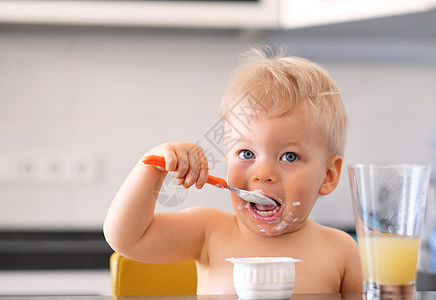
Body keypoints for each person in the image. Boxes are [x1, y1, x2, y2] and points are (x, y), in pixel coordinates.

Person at [103, 45, 363, 294]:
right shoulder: (207, 232)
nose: (262, 173)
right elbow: (126, 238)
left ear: (328, 177)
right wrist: (153, 165)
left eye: (289, 156)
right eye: (247, 153)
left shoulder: (342, 252)